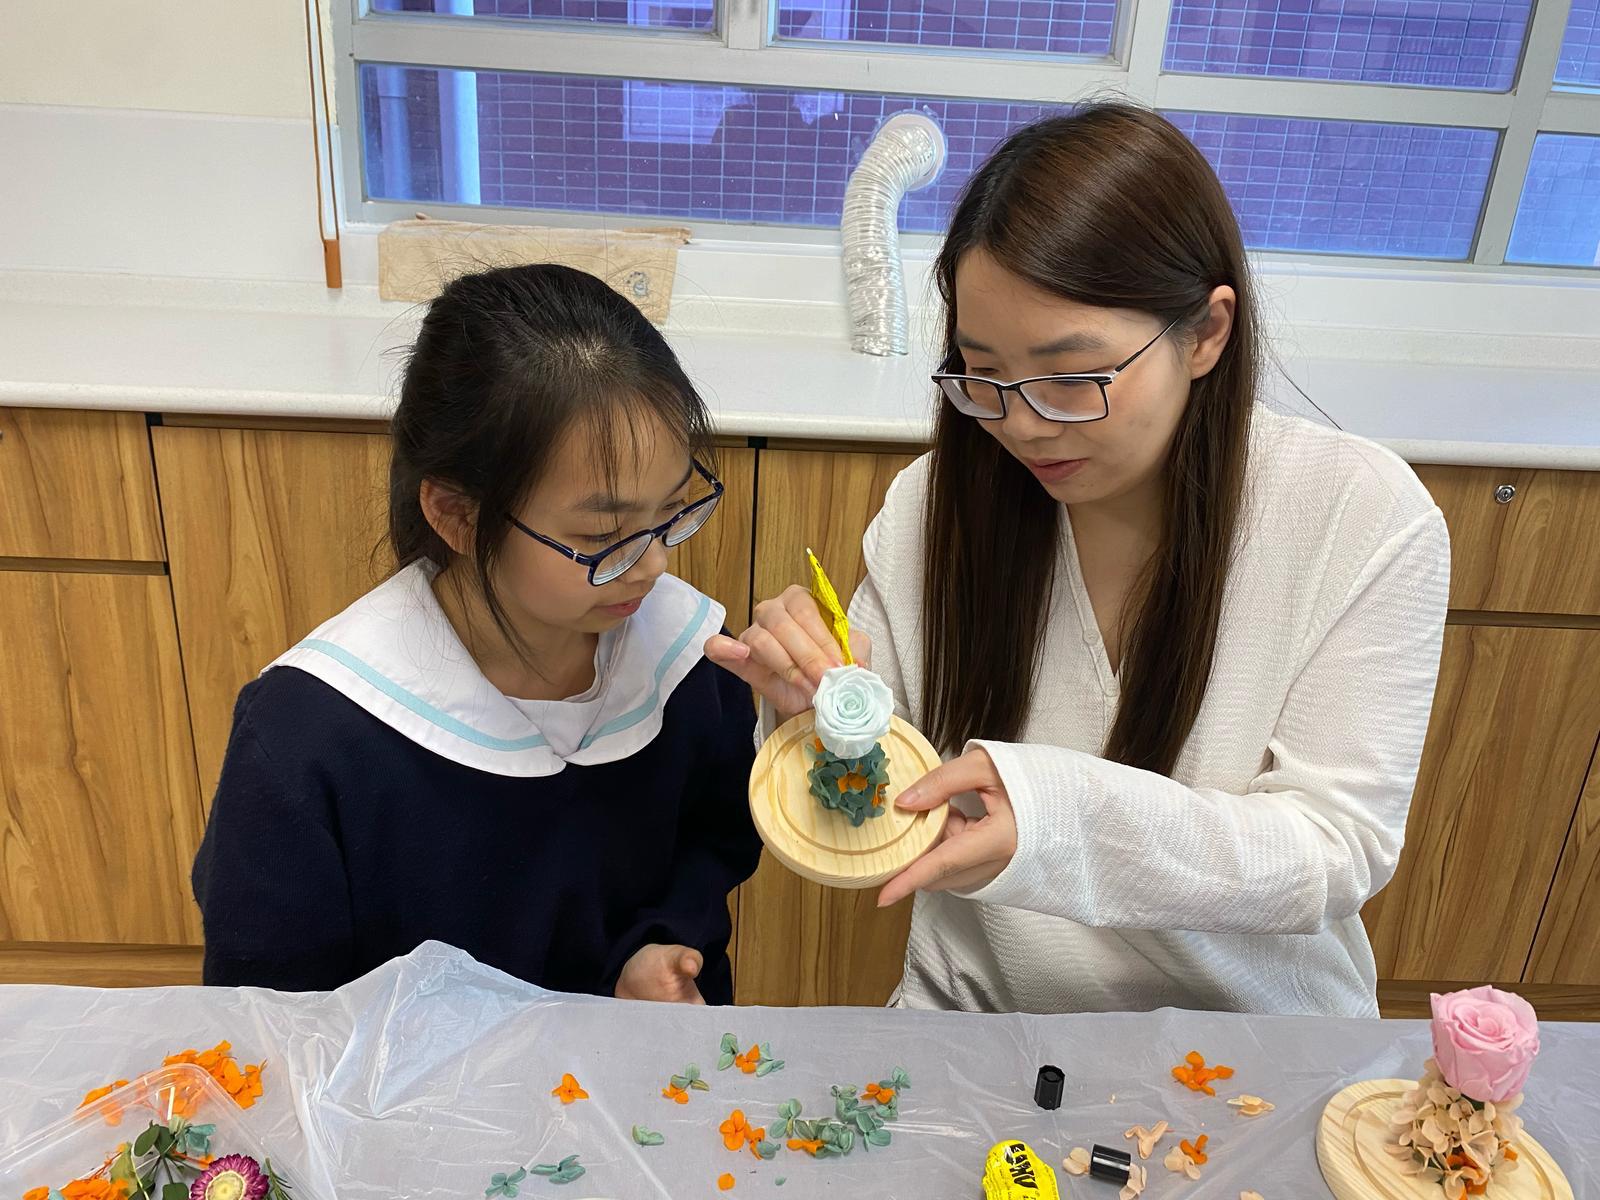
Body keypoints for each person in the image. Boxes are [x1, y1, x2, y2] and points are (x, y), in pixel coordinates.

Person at [707, 102, 1450, 1017]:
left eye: (1071, 378)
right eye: (983, 373)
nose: (1021, 425)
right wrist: (817, 721)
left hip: (1253, 1036)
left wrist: (1053, 815)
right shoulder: (936, 504)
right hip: (982, 1018)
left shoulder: (1360, 514)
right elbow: (883, 794)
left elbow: (1335, 849)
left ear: (1207, 333)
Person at [194, 264, 761, 1002]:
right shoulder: (312, 736)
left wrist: (660, 944)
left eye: (673, 512)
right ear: (457, 516)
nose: (654, 564)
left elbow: (715, 842)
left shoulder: (688, 661)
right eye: (603, 535)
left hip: (646, 1063)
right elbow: (268, 1012)